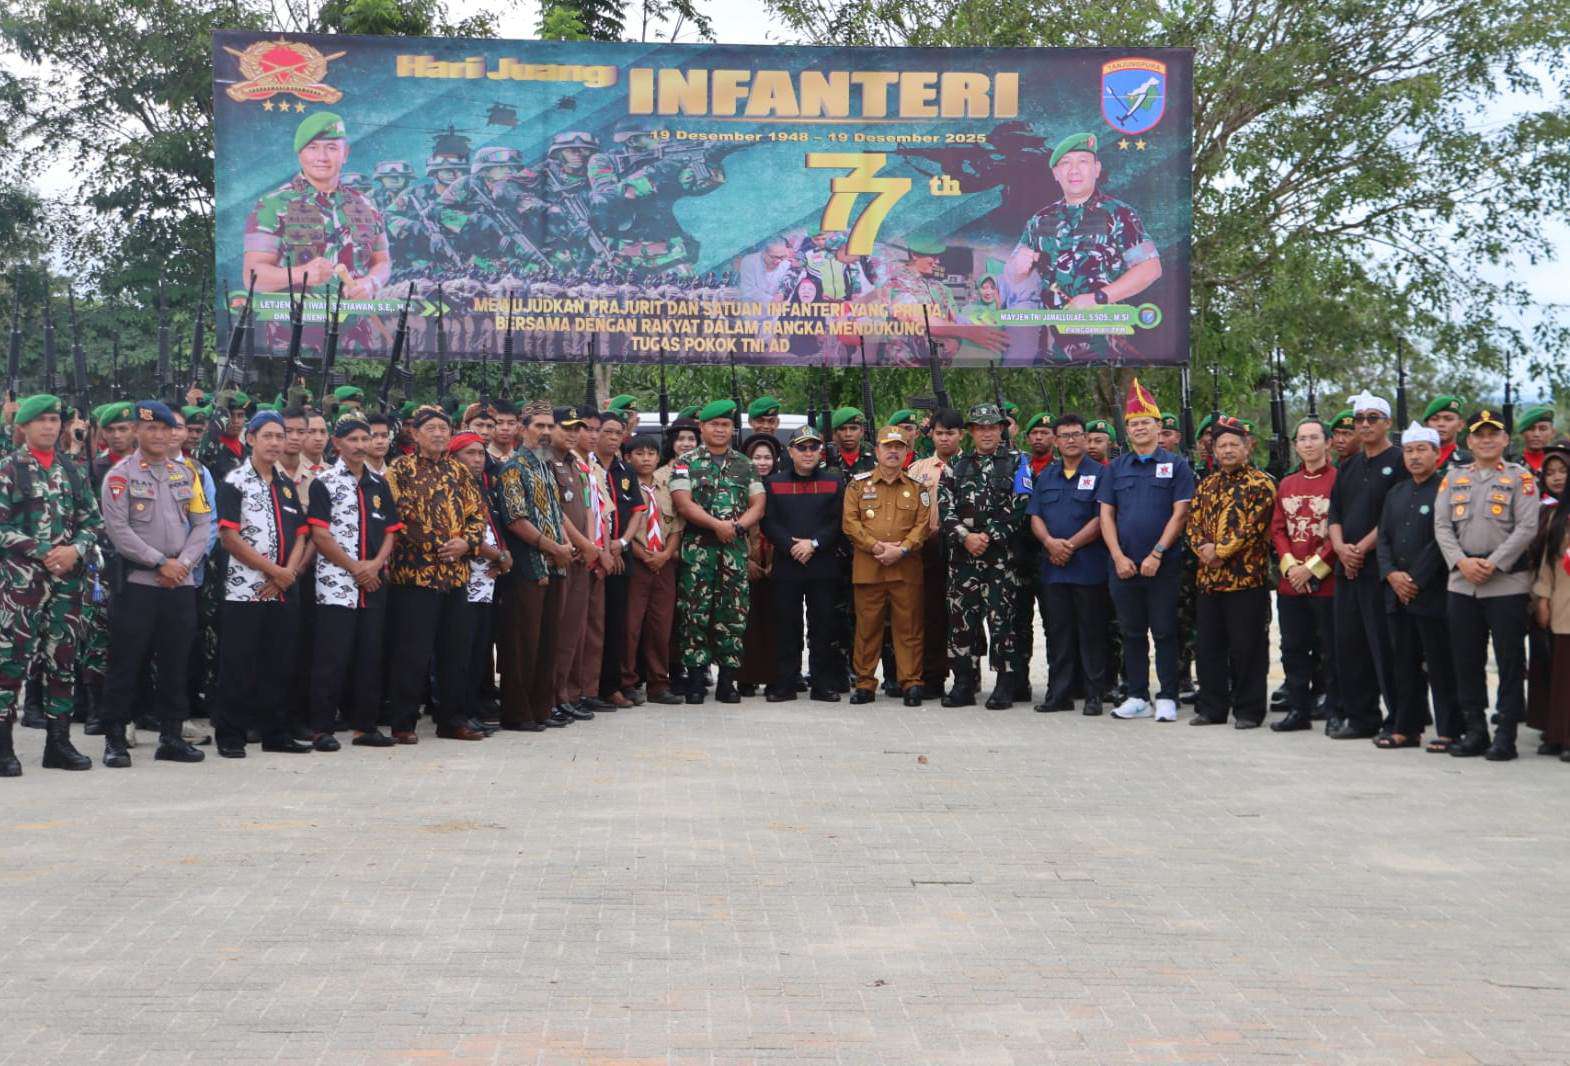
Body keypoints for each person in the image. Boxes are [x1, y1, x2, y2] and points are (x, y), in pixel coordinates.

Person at [97, 401, 211, 768]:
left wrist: (183, 564)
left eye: (165, 429)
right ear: (137, 432)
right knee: (126, 661)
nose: (159, 435)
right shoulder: (120, 476)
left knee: (177, 661)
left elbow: (202, 524)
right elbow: (118, 531)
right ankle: (115, 738)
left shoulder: (186, 473)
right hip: (139, 583)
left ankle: (172, 737)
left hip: (180, 583)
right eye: (151, 429)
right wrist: (161, 562)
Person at [0, 395, 103, 776]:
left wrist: (75, 549)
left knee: (62, 660)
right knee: (10, 662)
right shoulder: (9, 469)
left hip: (66, 583)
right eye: (40, 420)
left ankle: (58, 744)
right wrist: (44, 551)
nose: (49, 426)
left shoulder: (72, 470)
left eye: (54, 420)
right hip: (21, 585)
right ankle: (3, 746)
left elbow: (92, 521)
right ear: (23, 427)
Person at [1435, 409, 1539, 760]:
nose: (1487, 440)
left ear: (1505, 439)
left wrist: (1493, 563)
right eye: (1480, 434)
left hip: (1506, 583)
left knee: (1509, 661)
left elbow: (1527, 527)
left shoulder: (1520, 478)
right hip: (1462, 583)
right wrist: (1462, 561)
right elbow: (1441, 526)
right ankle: (1475, 730)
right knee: (1466, 659)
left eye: (1493, 433)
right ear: (1469, 440)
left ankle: (1506, 734)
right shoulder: (1454, 478)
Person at [1003, 132, 1161, 362]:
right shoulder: (1040, 220)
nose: (1074, 170)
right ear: (1055, 173)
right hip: (1053, 348)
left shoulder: (1120, 214)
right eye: (1065, 163)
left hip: (1105, 345)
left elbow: (1150, 268)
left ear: (1097, 169)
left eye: (1083, 162)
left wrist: (1098, 298)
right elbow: (1012, 274)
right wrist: (1016, 269)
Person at [384, 405, 489, 742]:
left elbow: (477, 514)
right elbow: (398, 516)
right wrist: (439, 545)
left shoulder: (459, 471)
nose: (439, 434)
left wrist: (466, 543)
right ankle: (403, 723)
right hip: (415, 575)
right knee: (412, 653)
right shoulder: (400, 469)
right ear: (415, 434)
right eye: (431, 429)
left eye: (444, 429)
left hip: (455, 575)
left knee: (455, 651)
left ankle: (452, 721)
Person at [212, 411, 314, 758]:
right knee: (238, 664)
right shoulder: (235, 482)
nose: (274, 443)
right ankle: (231, 734)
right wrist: (273, 571)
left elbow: (301, 534)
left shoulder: (285, 483)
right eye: (267, 436)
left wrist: (288, 573)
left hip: (283, 588)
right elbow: (229, 537)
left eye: (279, 436)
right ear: (251, 439)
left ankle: (276, 732)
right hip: (245, 590)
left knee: (280, 663)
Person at [1098, 380, 1195, 721]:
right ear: (1127, 431)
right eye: (1133, 424)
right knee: (1132, 632)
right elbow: (1106, 515)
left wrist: (1157, 553)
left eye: (1145, 422)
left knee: (1165, 631)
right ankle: (1137, 695)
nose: (1139, 428)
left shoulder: (1176, 466)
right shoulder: (1116, 468)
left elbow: (1180, 513)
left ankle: (1167, 695)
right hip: (1123, 565)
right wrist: (1117, 556)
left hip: (1163, 565)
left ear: (1158, 427)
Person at [305, 414, 402, 748]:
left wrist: (374, 565)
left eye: (365, 439)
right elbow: (320, 534)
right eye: (353, 440)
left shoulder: (379, 484)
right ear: (338, 444)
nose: (361, 446)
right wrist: (354, 568)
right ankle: (321, 728)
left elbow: (391, 531)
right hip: (336, 583)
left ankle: (366, 727)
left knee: (369, 657)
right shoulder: (324, 483)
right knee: (331, 658)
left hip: (373, 582)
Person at [669, 400, 766, 704]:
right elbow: (683, 503)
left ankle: (727, 681)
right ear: (702, 427)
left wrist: (736, 527)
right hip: (698, 549)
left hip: (734, 549)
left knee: (733, 613)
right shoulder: (685, 463)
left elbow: (758, 504)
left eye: (725, 425)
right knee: (694, 612)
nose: (720, 430)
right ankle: (696, 680)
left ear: (732, 429)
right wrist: (717, 526)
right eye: (714, 424)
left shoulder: (745, 464)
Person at [1185, 416, 1276, 728]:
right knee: (1208, 647)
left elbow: (1253, 528)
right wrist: (1203, 549)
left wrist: (1219, 552)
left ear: (1247, 448)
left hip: (1246, 579)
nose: (1227, 450)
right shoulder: (1207, 484)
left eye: (1233, 444)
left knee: (1247, 648)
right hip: (1209, 581)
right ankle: (1212, 708)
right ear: (1214, 450)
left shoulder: (1261, 484)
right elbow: (1193, 523)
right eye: (1221, 445)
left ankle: (1249, 710)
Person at [1326, 393, 1407, 739]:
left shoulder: (1400, 461)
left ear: (1387, 422)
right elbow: (1335, 513)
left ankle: (1399, 720)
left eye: (1373, 418)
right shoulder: (1349, 465)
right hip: (1348, 568)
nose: (1365, 424)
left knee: (1385, 647)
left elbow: (1393, 514)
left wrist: (1360, 549)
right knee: (1350, 645)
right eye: (1359, 419)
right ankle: (1361, 718)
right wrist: (1341, 548)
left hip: (1380, 569)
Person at [1375, 423, 1459, 750]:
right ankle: (1406, 728)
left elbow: (1442, 540)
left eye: (1422, 449)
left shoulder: (1447, 489)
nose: (1414, 457)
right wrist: (1391, 574)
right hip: (1397, 594)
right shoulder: (1396, 492)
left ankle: (1450, 730)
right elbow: (1383, 538)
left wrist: (1415, 579)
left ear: (1437, 453)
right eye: (1409, 451)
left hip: (1432, 593)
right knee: (1404, 664)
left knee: (1440, 664)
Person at [242, 113, 390, 299]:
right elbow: (252, 276)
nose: (322, 157)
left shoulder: (366, 205)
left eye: (332, 148)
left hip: (356, 316)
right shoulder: (272, 204)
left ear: (345, 154)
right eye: (312, 148)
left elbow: (382, 262)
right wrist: (300, 274)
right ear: (300, 154)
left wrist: (371, 282)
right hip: (296, 316)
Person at [940, 403, 1027, 709]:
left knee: (1002, 621)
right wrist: (966, 538)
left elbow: (1020, 503)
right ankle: (963, 682)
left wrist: (987, 536)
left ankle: (1004, 684)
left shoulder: (1017, 462)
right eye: (980, 428)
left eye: (992, 427)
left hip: (1000, 560)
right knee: (961, 623)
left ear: (1001, 429)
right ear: (971, 432)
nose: (987, 433)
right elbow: (944, 507)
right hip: (963, 560)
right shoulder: (956, 464)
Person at [495, 402, 573, 730]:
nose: (545, 432)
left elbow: (555, 514)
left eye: (549, 426)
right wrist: (553, 547)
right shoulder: (513, 467)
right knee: (522, 643)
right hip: (527, 567)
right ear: (522, 428)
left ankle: (541, 709)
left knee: (548, 642)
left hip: (555, 565)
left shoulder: (545, 466)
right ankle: (518, 713)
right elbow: (516, 520)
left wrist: (566, 546)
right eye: (538, 426)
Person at [1027, 413, 1110, 715]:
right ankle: (1058, 694)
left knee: (1092, 633)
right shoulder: (1046, 476)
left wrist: (1070, 545)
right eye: (1064, 436)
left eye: (1076, 434)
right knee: (1058, 634)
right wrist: (1050, 543)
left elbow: (1102, 518)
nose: (1071, 440)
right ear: (1056, 441)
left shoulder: (1101, 474)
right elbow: (1035, 515)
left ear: (1086, 439)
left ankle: (1093, 695)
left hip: (1088, 568)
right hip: (1054, 569)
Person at [843, 427, 932, 704]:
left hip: (905, 570)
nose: (893, 452)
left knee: (909, 628)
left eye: (899, 447)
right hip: (870, 568)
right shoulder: (857, 485)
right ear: (877, 451)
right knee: (867, 628)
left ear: (906, 452)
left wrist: (902, 549)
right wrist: (877, 547)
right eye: (887, 447)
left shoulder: (917, 488)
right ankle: (865, 683)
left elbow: (923, 525)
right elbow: (850, 523)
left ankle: (911, 682)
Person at [761, 426, 844, 703]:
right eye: (802, 447)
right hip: (788, 565)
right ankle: (785, 683)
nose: (808, 453)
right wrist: (791, 545)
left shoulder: (834, 482)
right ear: (790, 451)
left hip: (822, 564)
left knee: (823, 627)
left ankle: (822, 684)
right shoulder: (774, 483)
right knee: (787, 626)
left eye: (813, 447)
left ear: (820, 451)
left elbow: (838, 522)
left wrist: (814, 544)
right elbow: (769, 521)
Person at [1270, 417, 1340, 733]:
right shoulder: (1287, 484)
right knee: (1293, 649)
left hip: (1327, 582)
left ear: (1328, 443)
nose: (1308, 444)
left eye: (1314, 438)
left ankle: (1335, 710)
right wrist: (1291, 569)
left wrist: (1312, 569)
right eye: (1302, 439)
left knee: (1331, 649)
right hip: (1291, 584)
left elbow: (1340, 530)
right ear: (1295, 445)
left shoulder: (1340, 480)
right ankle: (1298, 710)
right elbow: (1278, 529)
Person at [451, 431, 511, 731]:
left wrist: (501, 557)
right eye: (470, 454)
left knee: (480, 648)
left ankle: (473, 710)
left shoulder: (481, 487)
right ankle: (458, 713)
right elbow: (463, 533)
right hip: (463, 577)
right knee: (461, 650)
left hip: (486, 578)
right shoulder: (451, 487)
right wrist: (497, 555)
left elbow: (493, 527)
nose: (477, 460)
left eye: (480, 454)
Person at [544, 407, 600, 725]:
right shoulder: (544, 462)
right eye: (565, 428)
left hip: (580, 556)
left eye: (576, 428)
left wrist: (590, 544)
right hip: (560, 555)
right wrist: (582, 543)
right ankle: (549, 697)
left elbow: (587, 507)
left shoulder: (574, 464)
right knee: (556, 630)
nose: (572, 434)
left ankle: (563, 694)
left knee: (572, 632)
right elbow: (555, 510)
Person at [622, 432, 684, 705]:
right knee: (631, 625)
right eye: (639, 454)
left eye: (651, 454)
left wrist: (666, 554)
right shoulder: (625, 486)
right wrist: (643, 554)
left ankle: (659, 683)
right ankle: (627, 682)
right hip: (636, 561)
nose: (646, 459)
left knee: (661, 626)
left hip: (664, 563)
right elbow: (620, 527)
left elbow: (676, 526)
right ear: (628, 457)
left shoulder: (666, 486)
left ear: (659, 457)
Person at [907, 408, 962, 699]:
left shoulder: (971, 465)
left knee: (964, 615)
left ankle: (967, 676)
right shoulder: (918, 469)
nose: (944, 438)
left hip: (964, 548)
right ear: (931, 435)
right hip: (928, 548)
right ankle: (933, 676)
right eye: (939, 433)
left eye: (950, 433)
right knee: (932, 614)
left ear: (961, 435)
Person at [1529, 443, 1570, 762]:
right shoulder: (1554, 513)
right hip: (1561, 604)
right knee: (1559, 673)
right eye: (1550, 472)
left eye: (1563, 471)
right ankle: (1557, 733)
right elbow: (1546, 563)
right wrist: (1541, 598)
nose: (1556, 477)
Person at [737, 434, 782, 696]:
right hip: (746, 562)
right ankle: (747, 677)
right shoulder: (739, 486)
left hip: (778, 564)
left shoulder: (781, 485)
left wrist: (777, 561)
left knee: (777, 623)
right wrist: (746, 560)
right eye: (757, 458)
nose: (762, 463)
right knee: (747, 623)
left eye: (767, 458)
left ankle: (776, 676)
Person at [1423, 395, 1471, 470]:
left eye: (1449, 419)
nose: (1441, 424)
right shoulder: (1412, 459)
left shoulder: (1470, 461)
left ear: (1460, 425)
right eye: (1435, 419)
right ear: (1426, 426)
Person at [1517, 405, 1556, 472]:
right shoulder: (1512, 464)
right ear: (1522, 433)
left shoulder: (1563, 463)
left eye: (1543, 429)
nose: (1536, 434)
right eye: (1530, 429)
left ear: (1553, 433)